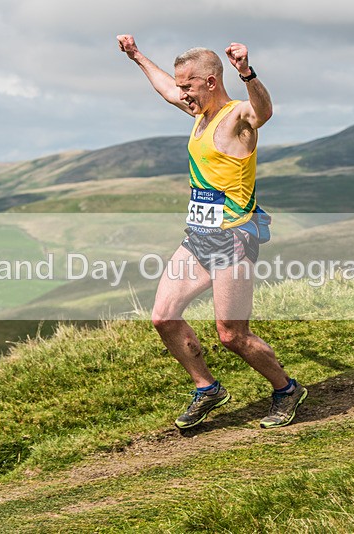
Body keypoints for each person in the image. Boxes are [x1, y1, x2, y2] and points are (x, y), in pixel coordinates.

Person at [117, 35, 307, 429]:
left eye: (187, 85)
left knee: (231, 335)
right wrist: (136, 56)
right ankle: (207, 388)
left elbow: (264, 112)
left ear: (210, 81)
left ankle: (286, 389)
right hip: (199, 237)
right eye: (180, 84)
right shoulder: (199, 115)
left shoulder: (238, 117)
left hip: (234, 239)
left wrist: (247, 73)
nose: (181, 92)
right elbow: (167, 90)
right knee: (163, 318)